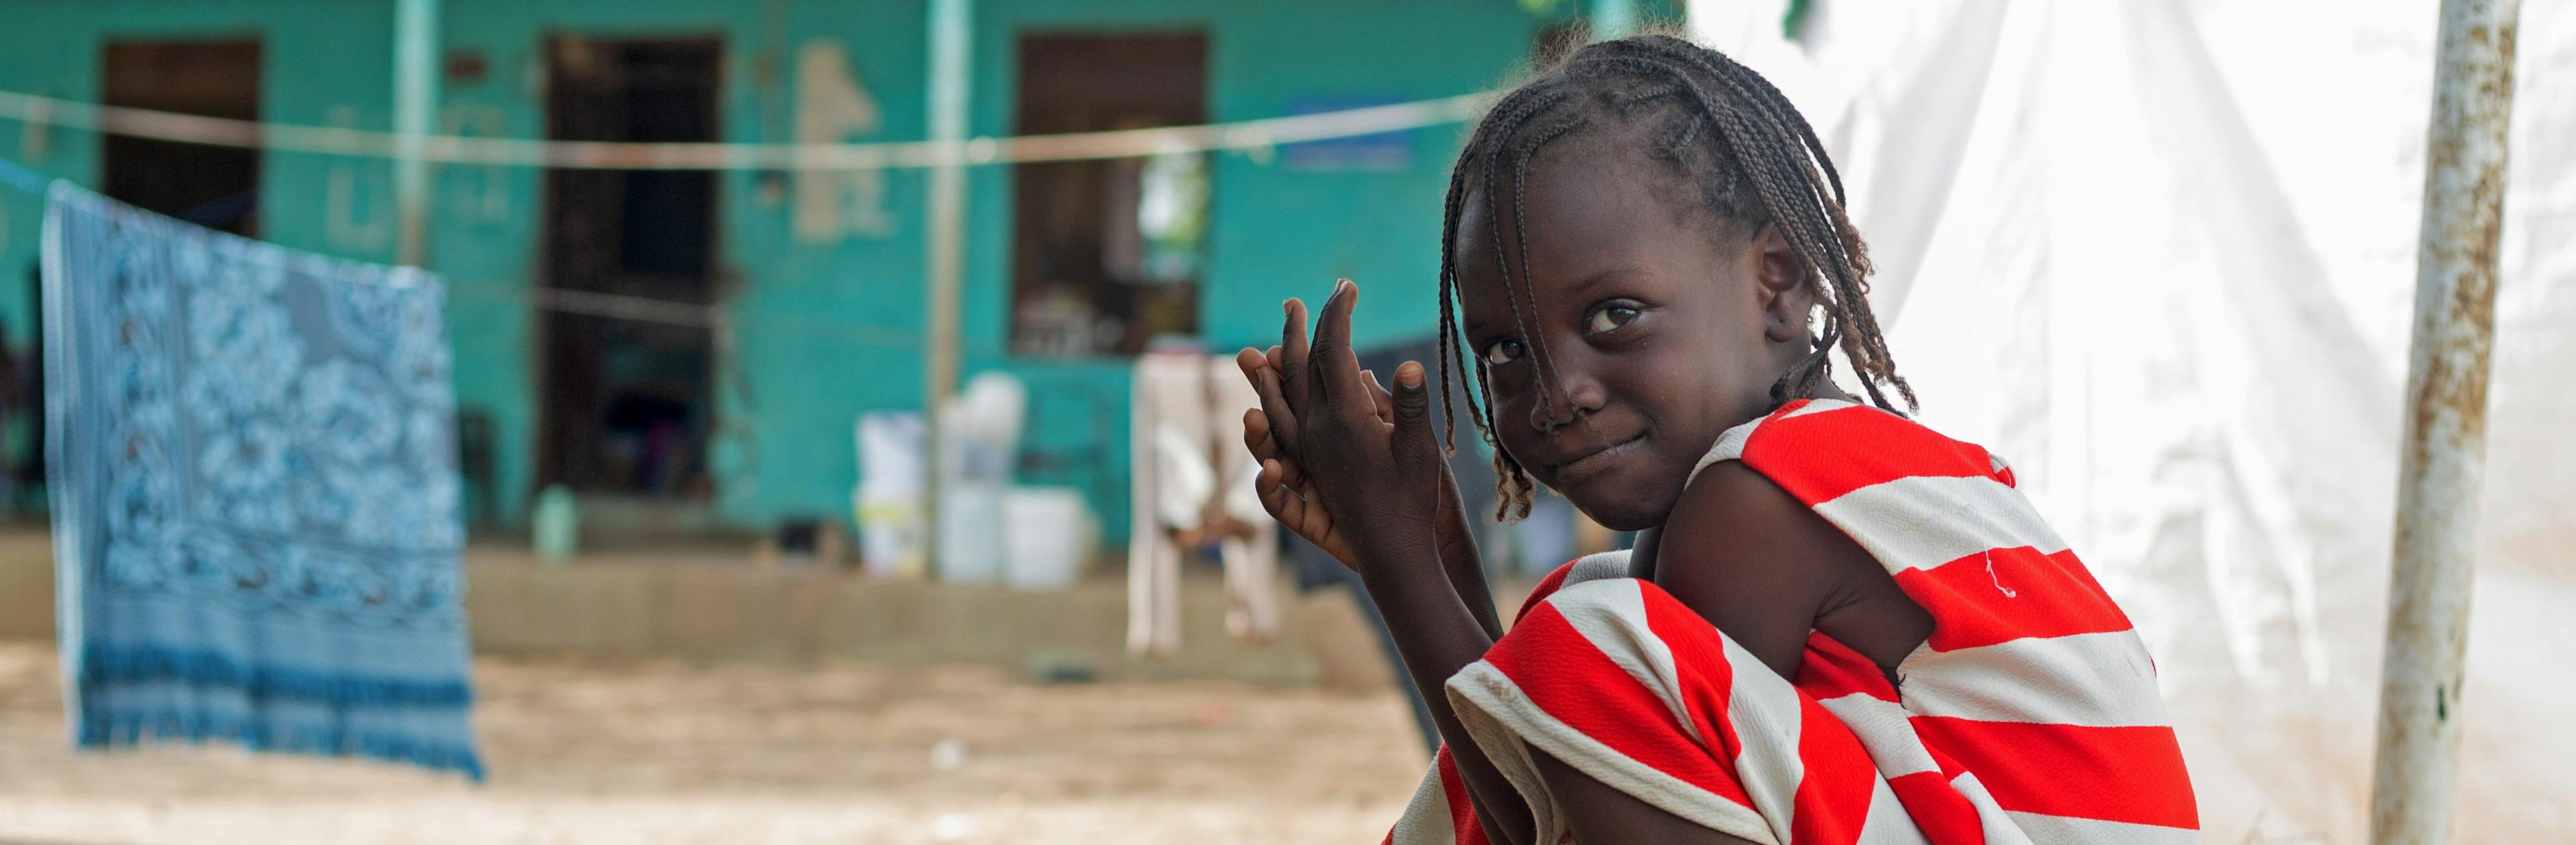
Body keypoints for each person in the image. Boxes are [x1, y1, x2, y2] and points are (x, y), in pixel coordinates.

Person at [1235, 34, 2196, 845]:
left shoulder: (1763, 497)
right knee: (1577, 627)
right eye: (1503, 350)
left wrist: (1405, 567)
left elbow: (1552, 802)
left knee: (1586, 640)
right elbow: (1557, 768)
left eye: (1615, 314)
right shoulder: (1831, 471)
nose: (1559, 393)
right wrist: (1437, 547)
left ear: (1775, 284)